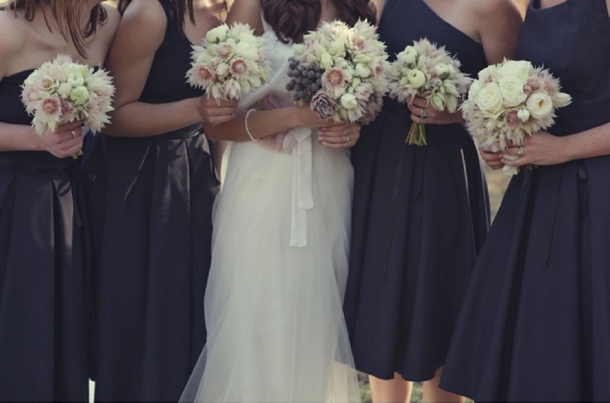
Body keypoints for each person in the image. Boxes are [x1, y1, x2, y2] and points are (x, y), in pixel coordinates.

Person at [179, 0, 373, 401]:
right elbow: (218, 125)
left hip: (329, 182)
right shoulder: (252, 6)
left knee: (313, 324)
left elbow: (365, 101)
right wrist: (293, 118)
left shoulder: (358, 6)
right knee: (259, 319)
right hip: (262, 187)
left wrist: (353, 128)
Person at [342, 0, 522, 402]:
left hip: (442, 173)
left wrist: (455, 111)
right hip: (378, 162)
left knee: (438, 291)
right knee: (384, 291)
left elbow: (512, 103)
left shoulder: (494, 10)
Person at [440, 0, 610, 401]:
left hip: (598, 195)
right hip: (538, 194)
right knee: (537, 343)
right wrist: (500, 141)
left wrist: (562, 149)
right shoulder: (525, 5)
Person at [84, 0, 236, 401]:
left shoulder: (229, 14)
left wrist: (218, 175)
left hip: (195, 177)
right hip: (141, 184)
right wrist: (195, 109)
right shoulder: (150, 13)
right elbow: (111, 118)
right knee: (141, 319)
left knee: (184, 319)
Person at [0, 0, 119, 400]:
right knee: (23, 332)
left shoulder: (106, 21)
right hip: (15, 204)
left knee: (64, 333)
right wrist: (37, 140)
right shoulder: (8, 30)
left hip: (75, 200)